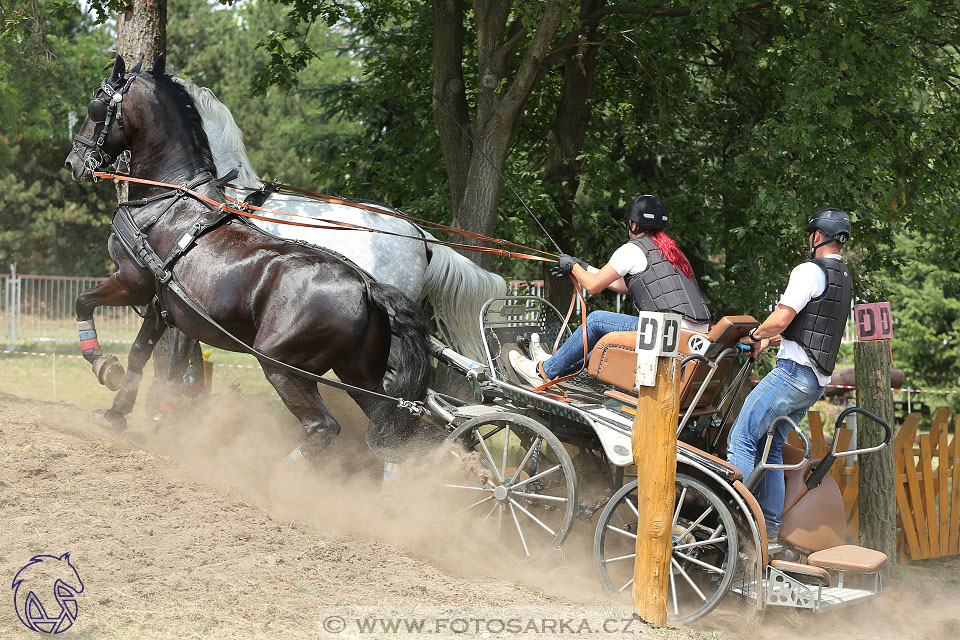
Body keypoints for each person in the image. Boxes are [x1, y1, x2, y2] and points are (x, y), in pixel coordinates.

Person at [725, 208, 852, 546]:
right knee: (773, 447)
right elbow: (810, 328)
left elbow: (782, 319)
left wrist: (753, 335)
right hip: (813, 382)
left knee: (741, 437)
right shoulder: (843, 277)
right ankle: (768, 531)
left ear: (816, 236)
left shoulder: (808, 270)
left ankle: (738, 524)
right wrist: (768, 340)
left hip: (792, 374)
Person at [509, 195, 711, 387]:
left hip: (665, 334)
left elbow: (593, 286)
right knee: (601, 335)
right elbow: (625, 285)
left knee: (596, 321)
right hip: (690, 336)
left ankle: (542, 372)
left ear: (632, 224)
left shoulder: (632, 249)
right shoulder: (671, 251)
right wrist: (583, 267)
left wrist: (572, 267)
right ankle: (555, 366)